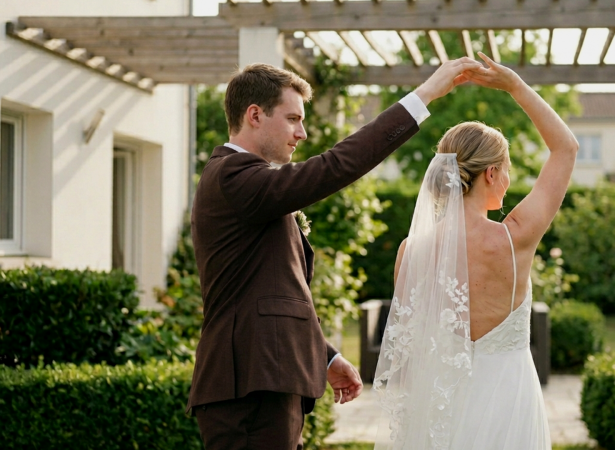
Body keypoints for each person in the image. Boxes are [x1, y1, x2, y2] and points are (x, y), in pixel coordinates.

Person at [187, 57, 482, 450]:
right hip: (248, 386)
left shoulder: (246, 182)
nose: (302, 132)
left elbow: (269, 288)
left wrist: (324, 355)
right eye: (292, 119)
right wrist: (424, 96)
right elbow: (334, 167)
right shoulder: (232, 176)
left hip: (265, 379)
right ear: (254, 115)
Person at [372, 52, 579, 450]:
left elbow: (412, 351)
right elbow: (565, 149)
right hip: (508, 399)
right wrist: (516, 87)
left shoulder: (410, 250)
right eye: (507, 167)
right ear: (490, 174)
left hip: (437, 406)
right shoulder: (515, 237)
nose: (510, 177)